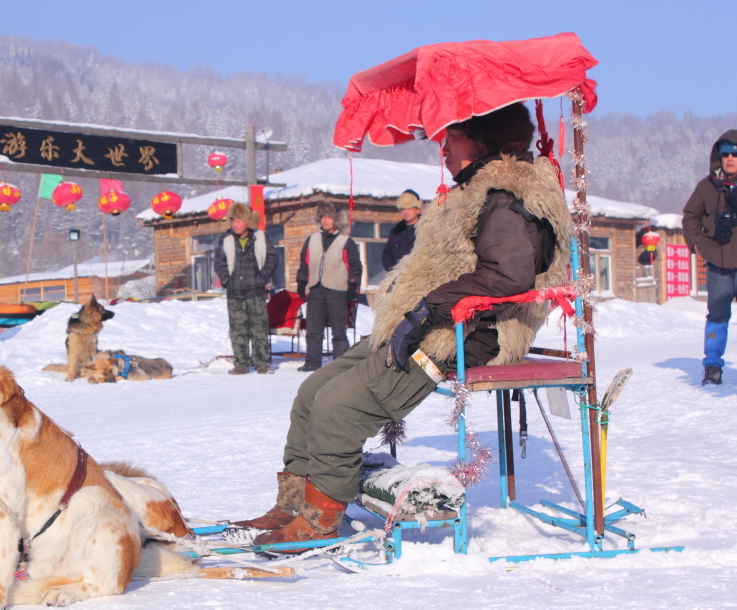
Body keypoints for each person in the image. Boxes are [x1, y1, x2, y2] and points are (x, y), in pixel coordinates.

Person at [233, 103, 572, 545]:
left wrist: (428, 307)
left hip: (469, 332)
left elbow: (509, 275)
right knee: (312, 391)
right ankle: (294, 502)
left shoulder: (504, 198)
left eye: (453, 137)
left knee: (339, 407)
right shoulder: (473, 192)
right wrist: (414, 311)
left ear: (482, 139)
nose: (443, 146)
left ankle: (319, 519)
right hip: (424, 321)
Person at [682, 131, 737, 385]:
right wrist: (695, 242)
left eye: (735, 153)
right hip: (718, 260)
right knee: (717, 315)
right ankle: (712, 366)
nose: (730, 158)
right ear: (718, 155)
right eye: (725, 153)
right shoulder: (706, 186)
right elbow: (690, 215)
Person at [295, 203, 363, 372]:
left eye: (329, 217)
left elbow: (355, 266)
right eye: (323, 217)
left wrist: (353, 286)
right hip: (316, 289)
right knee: (313, 329)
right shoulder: (312, 239)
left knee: (339, 331)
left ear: (337, 220)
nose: (325, 221)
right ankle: (312, 362)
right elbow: (304, 264)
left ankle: (340, 365)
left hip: (337, 291)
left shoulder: (346, 242)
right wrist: (301, 283)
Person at [213, 202, 279, 375]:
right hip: (235, 293)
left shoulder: (260, 237)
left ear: (248, 221)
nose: (236, 224)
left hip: (256, 292)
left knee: (259, 329)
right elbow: (219, 262)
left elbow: (272, 258)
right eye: (233, 220)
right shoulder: (225, 238)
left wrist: (263, 277)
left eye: (240, 220)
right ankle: (241, 363)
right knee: (237, 330)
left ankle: (262, 363)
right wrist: (227, 279)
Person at [381, 190, 422, 272]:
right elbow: (387, 254)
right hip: (398, 278)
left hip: (419, 277)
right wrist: (392, 271)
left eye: (408, 208)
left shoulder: (426, 229)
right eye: (403, 209)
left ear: (418, 210)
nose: (405, 212)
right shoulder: (396, 231)